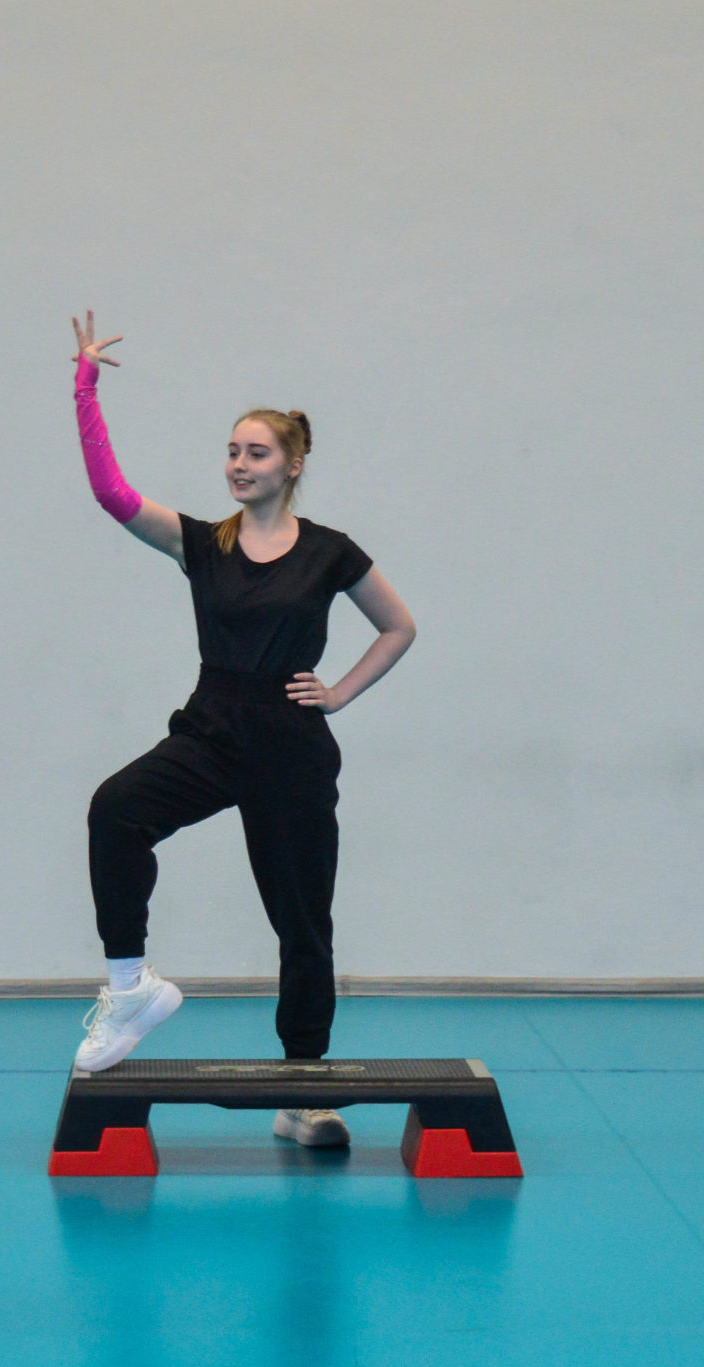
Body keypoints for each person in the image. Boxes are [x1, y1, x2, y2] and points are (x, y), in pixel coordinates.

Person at [66, 312, 416, 1147]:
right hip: (213, 732)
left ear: (291, 466)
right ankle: (131, 988)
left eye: (255, 453)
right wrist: (85, 388)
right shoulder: (202, 543)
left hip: (292, 747)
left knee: (304, 926)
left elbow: (398, 626)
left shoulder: (330, 551)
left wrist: (339, 693)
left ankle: (305, 1091)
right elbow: (113, 495)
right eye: (231, 451)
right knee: (116, 810)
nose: (238, 464)